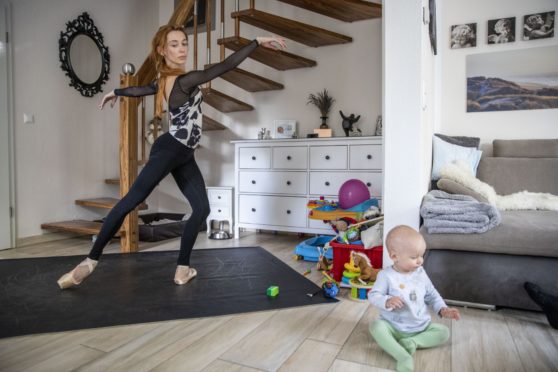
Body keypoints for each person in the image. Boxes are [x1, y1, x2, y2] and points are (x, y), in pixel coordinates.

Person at [57, 25, 286, 289]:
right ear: (162, 50)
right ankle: (89, 262)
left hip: (183, 153)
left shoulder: (165, 80)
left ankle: (182, 269)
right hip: (170, 148)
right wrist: (256, 41)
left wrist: (117, 92)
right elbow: (223, 67)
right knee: (132, 199)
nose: (181, 49)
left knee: (202, 209)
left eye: (184, 43)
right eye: (174, 44)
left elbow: (141, 90)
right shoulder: (183, 80)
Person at [368, 225, 460, 372]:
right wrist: (386, 301)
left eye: (421, 256)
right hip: (393, 326)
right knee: (376, 327)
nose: (420, 261)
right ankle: (403, 356)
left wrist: (442, 309)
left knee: (444, 333)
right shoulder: (386, 276)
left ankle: (412, 342)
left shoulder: (420, 273)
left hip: (420, 327)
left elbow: (431, 293)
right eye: (414, 257)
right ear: (394, 256)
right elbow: (373, 295)